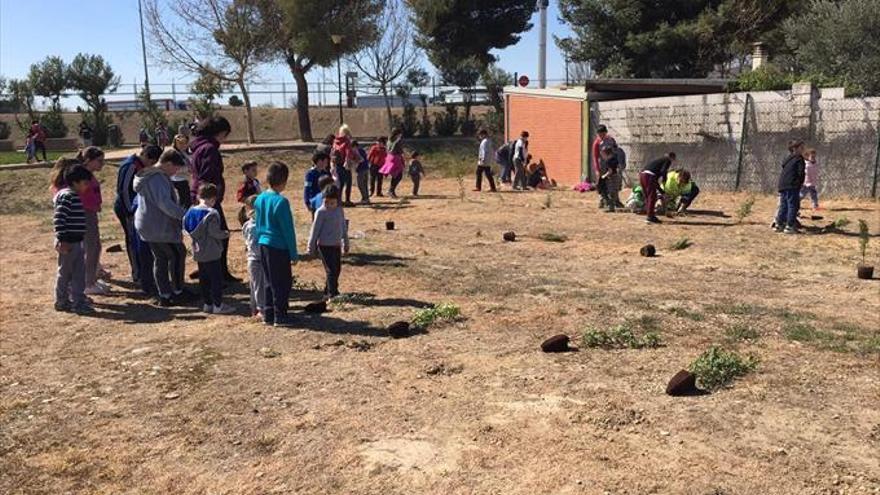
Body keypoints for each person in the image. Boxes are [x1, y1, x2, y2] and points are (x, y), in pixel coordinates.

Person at [134, 149, 190, 307]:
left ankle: (164, 294)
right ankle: (177, 291)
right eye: (176, 168)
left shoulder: (150, 175)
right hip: (158, 226)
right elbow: (165, 204)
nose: (176, 172)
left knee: (161, 258)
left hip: (148, 224)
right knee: (177, 254)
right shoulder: (157, 178)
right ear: (167, 163)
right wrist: (185, 216)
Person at [189, 116, 238, 282]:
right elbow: (208, 175)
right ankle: (216, 274)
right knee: (219, 236)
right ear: (220, 132)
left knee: (208, 237)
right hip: (208, 199)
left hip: (200, 196)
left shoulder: (199, 147)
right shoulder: (209, 148)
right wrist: (212, 197)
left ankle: (214, 272)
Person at [254, 162, 298, 327]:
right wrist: (293, 253)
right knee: (282, 282)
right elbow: (288, 230)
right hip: (278, 246)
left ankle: (268, 313)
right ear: (284, 181)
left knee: (268, 280)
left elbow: (258, 224)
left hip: (263, 244)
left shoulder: (260, 198)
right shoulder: (281, 202)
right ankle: (281, 316)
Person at [114, 145, 162, 293]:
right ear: (149, 158)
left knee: (138, 240)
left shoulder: (140, 165)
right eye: (153, 162)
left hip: (135, 207)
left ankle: (143, 272)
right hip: (126, 208)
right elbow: (124, 190)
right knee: (132, 241)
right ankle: (137, 273)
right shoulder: (131, 166)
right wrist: (129, 210)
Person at [184, 184, 235, 314]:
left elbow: (185, 227)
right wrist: (225, 234)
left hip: (198, 249)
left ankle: (207, 303)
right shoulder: (211, 214)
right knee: (216, 279)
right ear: (213, 199)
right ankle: (218, 305)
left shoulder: (190, 211)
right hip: (211, 250)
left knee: (204, 278)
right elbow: (214, 232)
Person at [53, 164, 95, 314]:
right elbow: (59, 218)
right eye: (84, 183)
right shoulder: (68, 196)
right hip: (68, 242)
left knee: (78, 273)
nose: (86, 187)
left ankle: (78, 300)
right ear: (75, 182)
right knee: (65, 273)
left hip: (77, 241)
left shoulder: (72, 195)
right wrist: (62, 239)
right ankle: (62, 300)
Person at [76, 147, 111, 296]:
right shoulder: (81, 175)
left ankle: (92, 279)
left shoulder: (89, 174)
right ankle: (87, 283)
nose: (102, 164)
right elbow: (81, 197)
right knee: (90, 249)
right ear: (89, 161)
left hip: (91, 213)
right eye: (99, 161)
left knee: (95, 247)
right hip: (85, 214)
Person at [307, 184, 349, 300]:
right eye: (326, 202)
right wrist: (311, 247)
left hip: (336, 245)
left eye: (332, 203)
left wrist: (346, 242)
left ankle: (328, 290)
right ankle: (332, 293)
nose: (329, 206)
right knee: (331, 269)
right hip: (324, 245)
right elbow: (314, 231)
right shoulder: (320, 212)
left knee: (337, 269)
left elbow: (343, 227)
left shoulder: (339, 210)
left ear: (337, 201)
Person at [241, 195, 267, 319]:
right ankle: (260, 309)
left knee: (255, 285)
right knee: (258, 285)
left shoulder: (249, 225)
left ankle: (255, 308)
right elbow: (251, 244)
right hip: (256, 259)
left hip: (255, 258)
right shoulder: (251, 226)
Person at [775, 140, 806, 234]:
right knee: (793, 205)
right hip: (792, 185)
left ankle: (779, 224)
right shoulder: (799, 158)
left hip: (783, 184)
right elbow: (801, 173)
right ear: (794, 148)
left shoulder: (788, 158)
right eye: (801, 148)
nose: (803, 149)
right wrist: (800, 183)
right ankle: (789, 226)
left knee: (784, 205)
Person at [639, 152, 676, 224]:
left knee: (648, 196)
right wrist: (664, 179)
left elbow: (655, 183)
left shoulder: (658, 162)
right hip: (649, 176)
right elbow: (663, 171)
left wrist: (662, 192)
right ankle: (650, 217)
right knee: (652, 196)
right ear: (672, 157)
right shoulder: (667, 160)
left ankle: (650, 214)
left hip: (642, 175)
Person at [304, 151, 331, 217]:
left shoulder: (325, 173)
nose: (327, 164)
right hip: (315, 201)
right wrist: (307, 202)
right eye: (325, 162)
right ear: (319, 161)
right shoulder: (310, 174)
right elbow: (307, 189)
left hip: (325, 201)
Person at [171, 134, 193, 208]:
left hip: (185, 179)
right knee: (184, 203)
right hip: (178, 180)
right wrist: (188, 168)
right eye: (180, 143)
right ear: (175, 143)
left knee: (186, 202)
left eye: (184, 143)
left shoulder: (184, 152)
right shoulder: (174, 154)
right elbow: (174, 168)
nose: (183, 145)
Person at [597, 146, 620, 212]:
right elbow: (618, 168)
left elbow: (610, 171)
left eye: (603, 154)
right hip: (616, 176)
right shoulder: (615, 158)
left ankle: (610, 207)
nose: (602, 156)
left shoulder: (608, 161)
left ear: (606, 153)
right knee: (614, 192)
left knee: (610, 192)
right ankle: (612, 205)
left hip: (611, 178)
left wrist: (603, 176)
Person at [353, 140, 371, 204]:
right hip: (366, 169)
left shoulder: (356, 151)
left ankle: (365, 198)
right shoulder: (362, 150)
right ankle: (366, 198)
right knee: (365, 184)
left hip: (361, 170)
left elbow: (360, 160)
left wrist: (355, 165)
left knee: (361, 185)